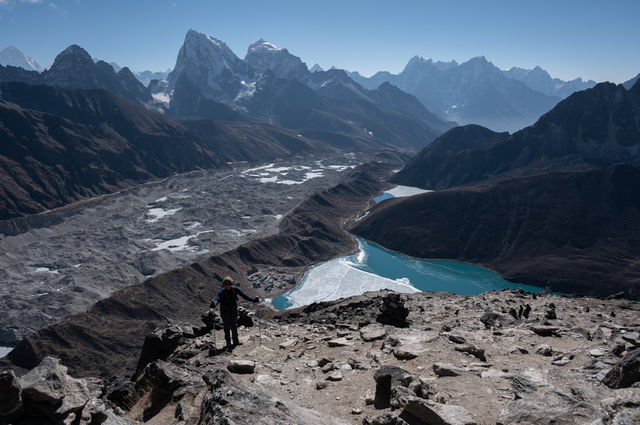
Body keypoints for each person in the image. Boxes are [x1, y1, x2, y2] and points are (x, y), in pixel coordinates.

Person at [211, 276, 259, 348]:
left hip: (233, 311)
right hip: (225, 311)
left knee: (233, 325)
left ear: (231, 284)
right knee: (226, 326)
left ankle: (235, 342)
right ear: (224, 284)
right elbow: (217, 299)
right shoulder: (222, 291)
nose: (228, 286)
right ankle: (228, 343)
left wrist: (253, 300)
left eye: (229, 284)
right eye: (226, 284)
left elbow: (244, 296)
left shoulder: (235, 289)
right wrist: (214, 304)